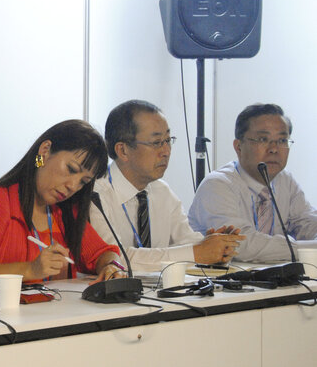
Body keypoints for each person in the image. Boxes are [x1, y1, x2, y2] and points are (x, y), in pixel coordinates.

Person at [0, 119, 125, 284]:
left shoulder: (65, 211)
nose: (72, 186)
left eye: (83, 181)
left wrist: (112, 266)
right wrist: (30, 269)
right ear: (45, 151)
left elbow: (102, 253)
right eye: (71, 169)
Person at [90, 100, 244, 267]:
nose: (166, 151)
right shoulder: (95, 194)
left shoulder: (161, 190)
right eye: (156, 143)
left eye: (168, 140)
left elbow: (187, 241)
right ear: (123, 150)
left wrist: (217, 247)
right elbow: (115, 258)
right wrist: (197, 252)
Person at [189, 103, 317, 262]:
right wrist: (307, 250)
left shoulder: (286, 181)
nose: (274, 149)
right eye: (263, 139)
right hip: (222, 282)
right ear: (238, 146)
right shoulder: (217, 185)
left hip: (273, 282)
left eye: (282, 140)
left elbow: (308, 223)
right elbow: (243, 246)